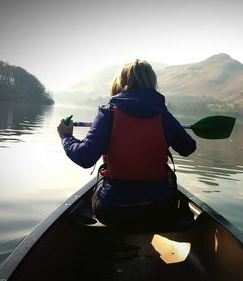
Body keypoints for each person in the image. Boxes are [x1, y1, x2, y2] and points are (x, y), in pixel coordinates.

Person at [57, 59, 196, 226]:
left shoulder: (108, 113)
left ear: (119, 82)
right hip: (160, 209)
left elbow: (85, 157)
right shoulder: (163, 115)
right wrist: (172, 129)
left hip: (113, 210)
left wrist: (66, 137)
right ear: (152, 82)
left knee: (99, 188)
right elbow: (188, 148)